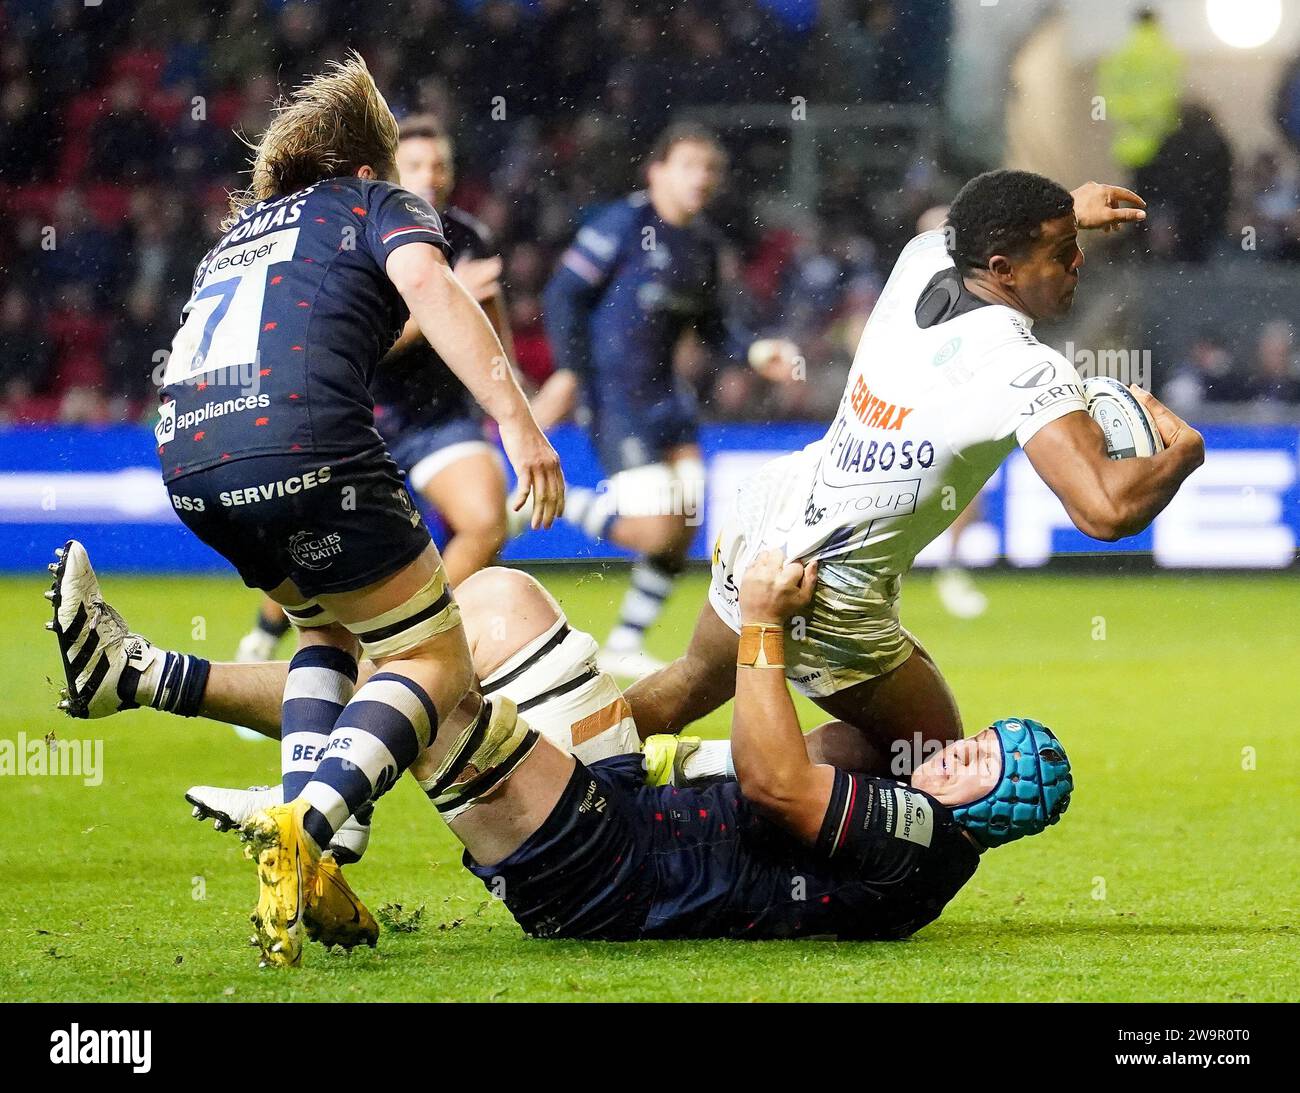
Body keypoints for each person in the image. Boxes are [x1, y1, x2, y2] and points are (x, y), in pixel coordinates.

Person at [50, 55, 564, 968]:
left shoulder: (236, 235)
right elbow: (435, 292)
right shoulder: (381, 203)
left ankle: (315, 856)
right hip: (302, 442)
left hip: (191, 458)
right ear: (371, 164)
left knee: (327, 639)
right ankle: (309, 821)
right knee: (428, 656)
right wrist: (519, 424)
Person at [46, 542, 1073, 946]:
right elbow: (794, 744)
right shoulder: (908, 825)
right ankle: (136, 677)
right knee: (488, 603)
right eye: (965, 742)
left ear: (996, 808)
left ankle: (312, 811)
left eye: (973, 761)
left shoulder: (924, 841)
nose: (944, 754)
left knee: (434, 687)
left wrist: (762, 618)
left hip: (605, 867)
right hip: (623, 806)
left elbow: (772, 774)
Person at [621, 171, 1205, 781]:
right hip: (831, 590)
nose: (1077, 262)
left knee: (690, 680)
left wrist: (1066, 210)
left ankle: (553, 776)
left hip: (775, 515)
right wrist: (1182, 457)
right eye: (1061, 254)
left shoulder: (922, 257)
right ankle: (718, 776)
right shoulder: (1024, 368)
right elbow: (1105, 511)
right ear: (1003, 267)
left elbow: (959, 218)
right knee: (930, 760)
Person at [232, 115, 520, 668]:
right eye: (416, 166)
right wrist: (439, 305)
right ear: (388, 172)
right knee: (316, 552)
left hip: (438, 420)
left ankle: (407, 644)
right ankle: (265, 643)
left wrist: (514, 397)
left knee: (486, 522)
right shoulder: (354, 234)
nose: (431, 177)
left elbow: (488, 326)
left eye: (441, 165)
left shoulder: (470, 236)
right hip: (355, 417)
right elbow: (346, 347)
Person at [542, 122, 799, 677]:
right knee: (655, 527)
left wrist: (754, 354)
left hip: (669, 400)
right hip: (617, 396)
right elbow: (563, 294)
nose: (700, 179)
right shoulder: (623, 223)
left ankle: (625, 642)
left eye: (709, 169)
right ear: (656, 170)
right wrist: (569, 372)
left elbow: (713, 328)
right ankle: (551, 502)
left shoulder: (702, 245)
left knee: (685, 524)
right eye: (688, 166)